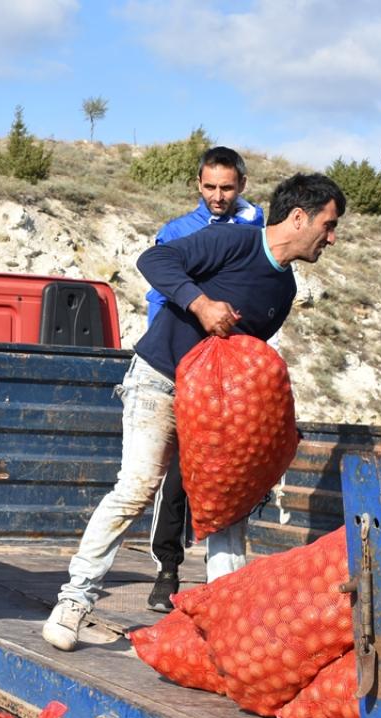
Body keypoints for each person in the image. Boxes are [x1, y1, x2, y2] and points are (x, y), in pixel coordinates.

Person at [43, 173, 346, 651]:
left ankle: (226, 628)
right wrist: (201, 304)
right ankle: (73, 602)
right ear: (298, 217)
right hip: (159, 379)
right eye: (328, 225)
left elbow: (245, 358)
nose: (331, 238)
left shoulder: (282, 290)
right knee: (137, 486)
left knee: (227, 507)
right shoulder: (233, 241)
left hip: (213, 404)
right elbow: (154, 260)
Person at [144, 146, 266, 612]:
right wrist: (166, 361)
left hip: (231, 373)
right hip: (184, 366)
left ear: (242, 186)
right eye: (210, 187)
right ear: (198, 184)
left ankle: (226, 582)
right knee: (176, 471)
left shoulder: (254, 227)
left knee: (232, 467)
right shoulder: (177, 232)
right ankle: (168, 569)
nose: (218, 196)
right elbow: (159, 299)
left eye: (227, 188)